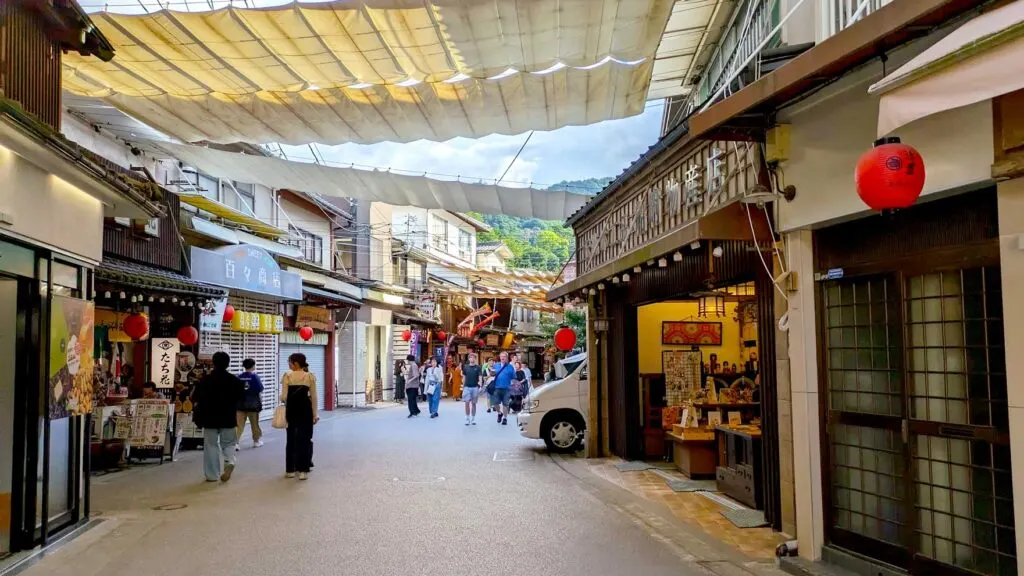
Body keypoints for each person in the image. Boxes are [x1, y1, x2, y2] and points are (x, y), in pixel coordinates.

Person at [191, 352, 244, 482]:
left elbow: (195, 398)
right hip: (228, 417)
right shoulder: (235, 380)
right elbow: (240, 398)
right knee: (229, 443)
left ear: (213, 363)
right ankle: (229, 461)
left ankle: (212, 475)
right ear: (228, 364)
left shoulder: (205, 380)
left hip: (209, 418)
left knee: (211, 445)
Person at [280, 353, 318, 480]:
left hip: (291, 411)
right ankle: (303, 471)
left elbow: (284, 397)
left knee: (290, 439)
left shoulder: (287, 376)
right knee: (304, 439)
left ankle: (290, 470)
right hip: (305, 411)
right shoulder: (309, 376)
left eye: (289, 362)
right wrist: (315, 414)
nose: (288, 364)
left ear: (295, 363)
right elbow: (314, 397)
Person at [235, 358, 264, 451]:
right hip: (253, 405)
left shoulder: (239, 377)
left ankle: (235, 443)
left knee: (239, 425)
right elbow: (260, 388)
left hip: (240, 404)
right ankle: (256, 441)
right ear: (253, 366)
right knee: (254, 424)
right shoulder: (255, 377)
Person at [491, 352, 515, 425]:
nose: (502, 358)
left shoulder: (510, 367)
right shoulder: (496, 365)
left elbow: (513, 377)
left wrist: (512, 384)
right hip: (497, 387)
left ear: (507, 358)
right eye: (501, 356)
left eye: (504, 356)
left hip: (506, 388)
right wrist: (491, 373)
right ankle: (499, 413)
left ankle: (505, 418)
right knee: (495, 403)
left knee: (505, 404)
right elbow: (492, 374)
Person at [461, 353, 482, 426]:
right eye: (470, 357)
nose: (472, 359)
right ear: (469, 359)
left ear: (475, 359)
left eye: (473, 357)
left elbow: (480, 377)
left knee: (473, 403)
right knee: (467, 403)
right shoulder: (465, 367)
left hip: (475, 387)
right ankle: (467, 418)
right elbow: (464, 377)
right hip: (467, 387)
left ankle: (473, 418)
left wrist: (480, 385)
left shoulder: (478, 367)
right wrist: (463, 386)